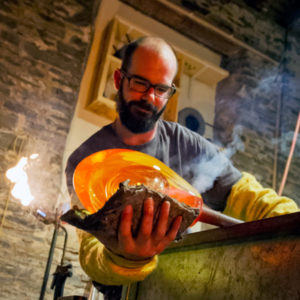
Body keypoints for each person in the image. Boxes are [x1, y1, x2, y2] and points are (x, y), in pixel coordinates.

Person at [65, 36, 299, 299]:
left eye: (161, 89)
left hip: (181, 286)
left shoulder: (186, 144)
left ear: (170, 92)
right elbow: (90, 250)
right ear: (120, 80)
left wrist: (290, 221)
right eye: (140, 83)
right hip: (124, 293)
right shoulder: (86, 161)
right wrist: (124, 258)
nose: (149, 97)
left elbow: (245, 195)